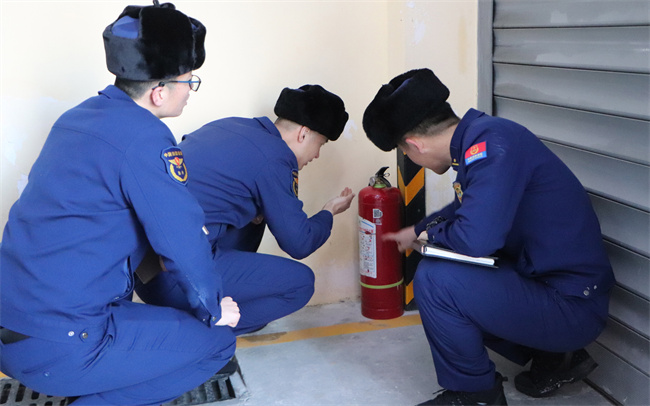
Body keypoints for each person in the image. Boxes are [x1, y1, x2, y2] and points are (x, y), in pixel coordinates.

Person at [0, 3, 240, 405]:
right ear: (160, 91)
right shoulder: (145, 137)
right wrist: (214, 309)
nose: (190, 92)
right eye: (189, 82)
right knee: (217, 344)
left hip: (14, 326)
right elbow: (181, 241)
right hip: (62, 342)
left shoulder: (75, 118)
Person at [362, 68, 615, 406]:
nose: (411, 159)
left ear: (414, 144)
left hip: (571, 307)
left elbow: (475, 239)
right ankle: (555, 358)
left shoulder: (489, 148)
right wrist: (420, 229)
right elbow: (465, 208)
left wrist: (429, 235)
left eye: (405, 153)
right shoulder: (484, 139)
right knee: (451, 271)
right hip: (553, 289)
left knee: (437, 280)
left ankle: (476, 394)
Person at [135, 84, 355, 335]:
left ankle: (207, 314)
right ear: (304, 134)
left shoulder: (230, 126)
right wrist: (328, 212)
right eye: (321, 144)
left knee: (256, 218)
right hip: (181, 278)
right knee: (301, 284)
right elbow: (299, 244)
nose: (316, 155)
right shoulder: (275, 156)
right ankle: (204, 331)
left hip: (145, 272)